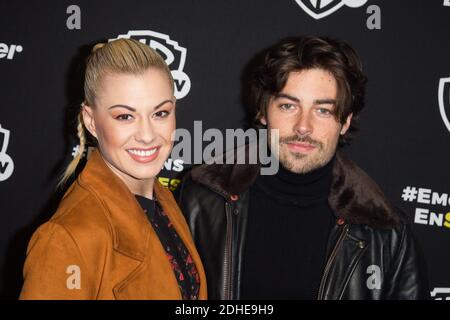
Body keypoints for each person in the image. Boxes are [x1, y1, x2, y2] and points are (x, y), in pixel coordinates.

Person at [178, 35, 428, 300]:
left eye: (323, 111)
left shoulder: (387, 236)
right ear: (263, 112)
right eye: (288, 106)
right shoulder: (201, 201)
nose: (303, 126)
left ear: (345, 121)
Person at [20, 39, 207, 300]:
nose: (147, 135)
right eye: (125, 116)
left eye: (160, 113)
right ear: (90, 121)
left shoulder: (162, 199)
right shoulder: (66, 239)